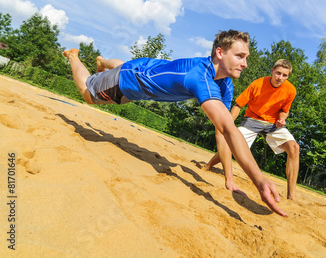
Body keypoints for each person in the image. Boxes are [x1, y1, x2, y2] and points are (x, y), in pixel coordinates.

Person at [63, 30, 288, 217]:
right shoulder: (199, 77)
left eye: (246, 57)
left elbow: (223, 131)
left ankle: (102, 61)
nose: (245, 63)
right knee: (89, 94)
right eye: (240, 56)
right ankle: (74, 56)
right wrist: (259, 180)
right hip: (130, 80)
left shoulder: (224, 84)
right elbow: (229, 130)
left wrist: (229, 179)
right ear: (220, 53)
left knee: (127, 65)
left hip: (145, 76)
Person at [203, 59, 300, 200]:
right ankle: (208, 165)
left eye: (285, 75)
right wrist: (227, 123)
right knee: (232, 145)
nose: (280, 77)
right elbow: (238, 105)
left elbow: (284, 111)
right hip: (252, 120)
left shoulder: (291, 90)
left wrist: (282, 118)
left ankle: (291, 197)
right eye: (278, 73)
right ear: (272, 71)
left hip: (273, 124)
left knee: (294, 148)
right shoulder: (258, 84)